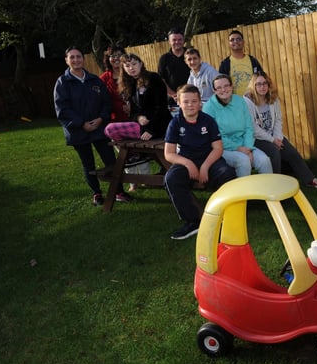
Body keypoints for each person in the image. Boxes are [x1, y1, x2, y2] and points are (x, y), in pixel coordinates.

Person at [53, 46, 132, 206]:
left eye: (79, 57)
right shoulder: (62, 83)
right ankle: (96, 193)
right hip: (78, 132)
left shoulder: (95, 80)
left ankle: (119, 191)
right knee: (87, 164)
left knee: (111, 161)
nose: (76, 60)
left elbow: (106, 103)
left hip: (99, 128)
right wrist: (81, 124)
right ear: (67, 60)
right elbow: (62, 109)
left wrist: (101, 119)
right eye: (72, 57)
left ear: (83, 59)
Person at [164, 84, 236, 240]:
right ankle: (193, 221)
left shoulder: (208, 121)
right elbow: (169, 154)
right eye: (186, 102)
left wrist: (204, 167)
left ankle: (225, 217)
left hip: (209, 159)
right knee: (171, 179)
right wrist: (188, 164)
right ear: (179, 103)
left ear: (200, 103)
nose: (190, 105)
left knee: (227, 174)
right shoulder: (175, 123)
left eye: (194, 101)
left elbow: (218, 148)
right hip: (185, 160)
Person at [244, 71, 317, 188]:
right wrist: (272, 140)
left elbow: (278, 120)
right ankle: (277, 185)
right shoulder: (247, 102)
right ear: (253, 86)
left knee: (291, 152)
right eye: (258, 84)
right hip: (256, 137)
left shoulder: (273, 99)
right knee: (274, 152)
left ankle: (309, 180)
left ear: (269, 84)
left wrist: (278, 137)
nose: (262, 87)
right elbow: (253, 127)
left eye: (265, 83)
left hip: (273, 135)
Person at [203, 74, 272, 177]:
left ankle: (269, 191)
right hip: (222, 148)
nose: (223, 89)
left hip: (244, 144)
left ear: (231, 87)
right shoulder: (209, 108)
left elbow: (249, 127)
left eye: (226, 86)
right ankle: (243, 192)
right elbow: (215, 137)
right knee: (243, 161)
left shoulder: (240, 101)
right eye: (219, 88)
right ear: (214, 91)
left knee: (264, 160)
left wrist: (248, 147)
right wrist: (239, 148)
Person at [104, 53, 172, 142]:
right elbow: (133, 112)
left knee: (111, 129)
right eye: (127, 66)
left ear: (140, 64)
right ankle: (135, 154)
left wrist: (151, 130)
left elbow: (162, 107)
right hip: (142, 125)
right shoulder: (129, 84)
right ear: (123, 69)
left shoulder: (153, 78)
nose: (131, 68)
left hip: (159, 125)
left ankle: (135, 154)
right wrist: (138, 118)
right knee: (109, 130)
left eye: (134, 64)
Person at [218, 30, 263, 96]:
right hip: (235, 103)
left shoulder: (253, 61)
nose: (235, 41)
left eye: (238, 39)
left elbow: (261, 79)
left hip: (253, 101)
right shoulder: (225, 64)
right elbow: (222, 85)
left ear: (243, 42)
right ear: (229, 43)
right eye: (232, 40)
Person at [158, 28, 190, 116]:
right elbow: (162, 80)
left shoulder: (190, 55)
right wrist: (173, 95)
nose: (177, 42)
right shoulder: (164, 59)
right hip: (173, 101)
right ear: (169, 41)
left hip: (191, 99)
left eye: (180, 39)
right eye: (174, 40)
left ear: (184, 40)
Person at [99, 45, 129, 122]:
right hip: (114, 119)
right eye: (112, 56)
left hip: (136, 117)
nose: (116, 58)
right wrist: (120, 107)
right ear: (108, 59)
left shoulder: (131, 73)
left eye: (119, 55)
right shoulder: (103, 79)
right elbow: (101, 101)